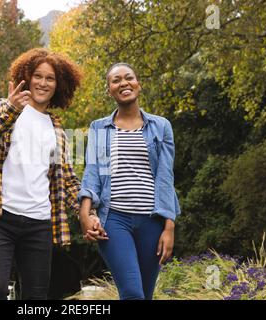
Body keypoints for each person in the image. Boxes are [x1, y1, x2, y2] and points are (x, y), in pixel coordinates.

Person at [0, 48, 90, 300]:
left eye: (50, 78)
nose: (43, 83)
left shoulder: (56, 129)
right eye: (38, 76)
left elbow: (68, 181)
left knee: (36, 299)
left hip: (39, 224)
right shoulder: (2, 107)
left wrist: (88, 213)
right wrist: (11, 110)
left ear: (58, 85)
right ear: (26, 77)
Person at [78, 63, 181, 300]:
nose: (123, 83)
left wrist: (169, 226)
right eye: (116, 80)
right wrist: (85, 213)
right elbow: (92, 172)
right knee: (133, 293)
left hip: (152, 222)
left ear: (138, 84)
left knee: (144, 294)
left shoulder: (161, 126)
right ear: (109, 90)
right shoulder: (99, 128)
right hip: (114, 220)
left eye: (128, 78)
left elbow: (165, 176)